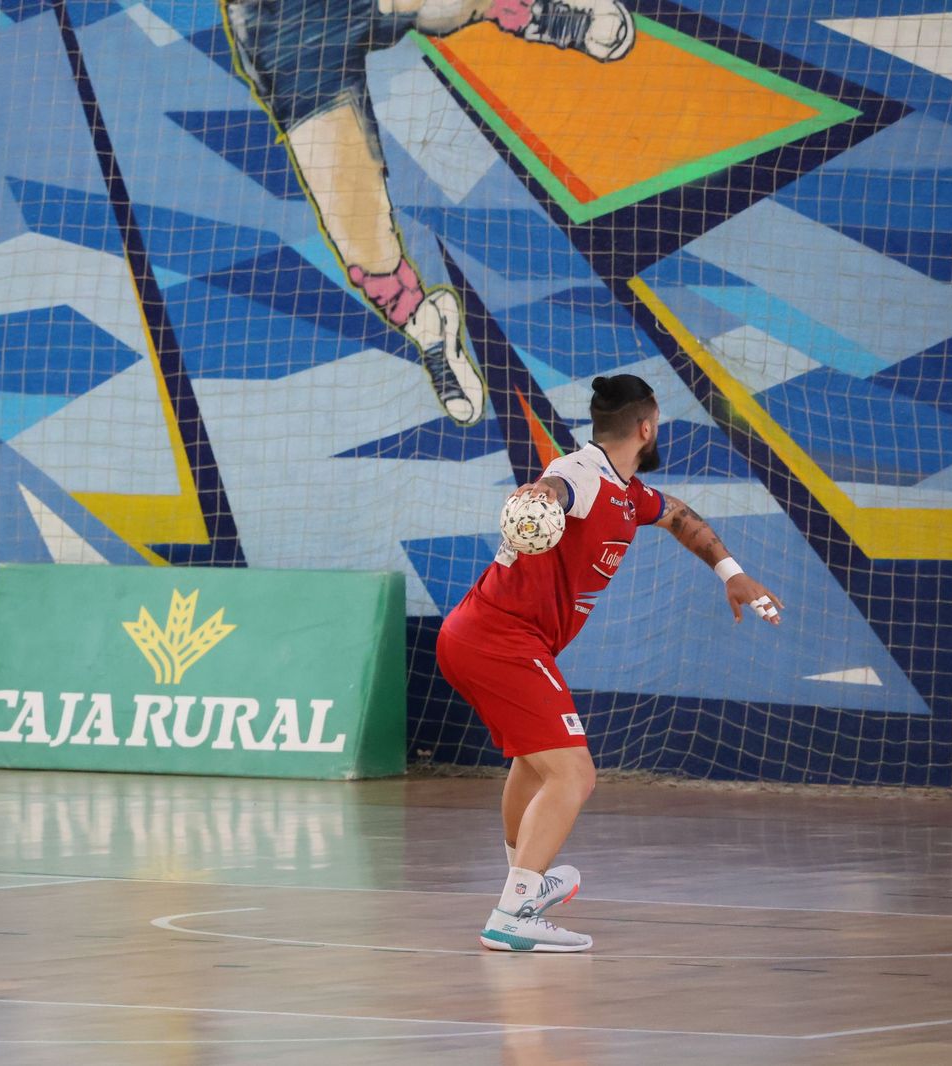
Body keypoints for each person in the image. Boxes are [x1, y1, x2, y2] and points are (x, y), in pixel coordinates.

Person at [435, 374, 784, 952]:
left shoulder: (628, 493)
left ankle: (525, 881)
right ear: (646, 427)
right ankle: (514, 912)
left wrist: (732, 572)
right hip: (500, 640)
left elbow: (678, 515)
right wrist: (539, 499)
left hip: (482, 636)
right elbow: (556, 485)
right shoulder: (582, 474)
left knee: (534, 765)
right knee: (575, 774)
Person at [222, 0, 636, 426]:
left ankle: (533, 10)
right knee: (362, 242)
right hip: (282, 31)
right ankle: (428, 325)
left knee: (444, 6)